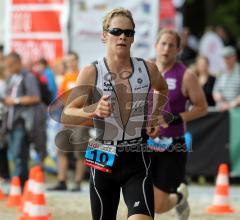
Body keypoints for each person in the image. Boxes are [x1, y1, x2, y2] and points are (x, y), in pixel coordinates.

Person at [61, 8, 168, 220]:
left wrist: (155, 114)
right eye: (116, 31)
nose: (122, 37)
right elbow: (66, 113)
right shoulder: (92, 71)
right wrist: (93, 109)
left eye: (129, 33)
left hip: (137, 154)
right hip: (103, 153)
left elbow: (162, 89)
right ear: (104, 35)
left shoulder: (148, 68)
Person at [149, 29, 207, 220]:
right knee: (138, 196)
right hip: (145, 142)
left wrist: (175, 118)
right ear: (156, 46)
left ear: (178, 49)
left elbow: (202, 107)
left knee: (158, 206)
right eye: (163, 44)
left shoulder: (186, 75)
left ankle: (180, 198)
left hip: (172, 144)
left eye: (171, 45)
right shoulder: (144, 71)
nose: (166, 49)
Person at [48, 51, 85, 191]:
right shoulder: (65, 78)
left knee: (79, 152)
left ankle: (77, 182)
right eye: (67, 61)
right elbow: (61, 99)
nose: (69, 63)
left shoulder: (83, 75)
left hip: (81, 121)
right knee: (61, 150)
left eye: (72, 60)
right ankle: (62, 181)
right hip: (66, 120)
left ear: (77, 61)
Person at [3, 52, 41, 188]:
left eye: (10, 66)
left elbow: (35, 97)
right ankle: (19, 186)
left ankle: (19, 187)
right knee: (15, 156)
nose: (8, 69)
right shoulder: (13, 78)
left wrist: (15, 100)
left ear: (18, 63)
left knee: (20, 156)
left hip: (22, 122)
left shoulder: (28, 77)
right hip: (11, 123)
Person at [213, 46, 240, 111]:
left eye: (228, 58)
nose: (225, 60)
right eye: (224, 58)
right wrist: (220, 100)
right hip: (222, 109)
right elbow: (215, 90)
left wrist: (231, 104)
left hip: (237, 110)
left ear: (234, 57)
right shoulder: (221, 72)